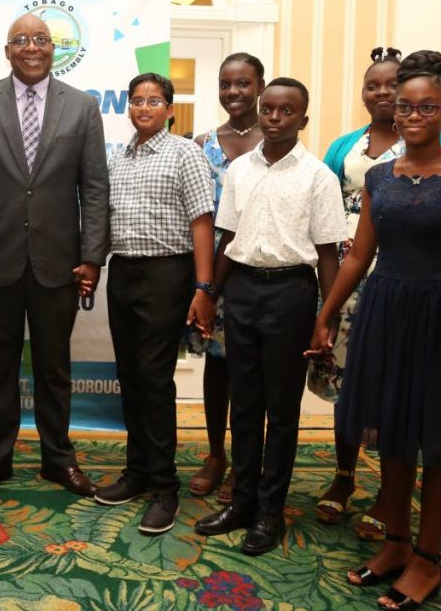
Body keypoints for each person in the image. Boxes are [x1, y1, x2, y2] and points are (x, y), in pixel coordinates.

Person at [307, 51, 441, 610]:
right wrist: (327, 313)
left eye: (426, 106)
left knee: (438, 443)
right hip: (383, 313)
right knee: (390, 432)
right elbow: (360, 253)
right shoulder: (379, 177)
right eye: (404, 104)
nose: (412, 113)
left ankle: (427, 560)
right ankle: (393, 544)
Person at [0, 13, 109, 499]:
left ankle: (58, 458)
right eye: (21, 40)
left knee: (55, 368)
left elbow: (94, 189)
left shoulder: (82, 107)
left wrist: (92, 256)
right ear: (7, 49)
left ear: (53, 49)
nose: (31, 47)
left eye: (41, 39)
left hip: (60, 262)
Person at [193, 77, 345, 556]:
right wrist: (210, 294)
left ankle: (269, 512)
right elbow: (226, 238)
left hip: (291, 295)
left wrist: (327, 315)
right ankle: (240, 503)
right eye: (268, 110)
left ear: (303, 118)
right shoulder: (240, 170)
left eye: (286, 111)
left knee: (281, 412)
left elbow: (327, 255)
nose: (275, 118)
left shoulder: (318, 176)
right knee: (244, 404)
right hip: (240, 291)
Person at [95, 73, 215, 535]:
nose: (144, 107)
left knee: (155, 380)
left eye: (155, 100)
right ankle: (138, 471)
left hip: (168, 273)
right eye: (137, 100)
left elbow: (202, 221)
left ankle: (166, 487)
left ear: (170, 109)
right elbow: (106, 219)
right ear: (129, 107)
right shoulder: (118, 156)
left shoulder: (184, 153)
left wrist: (204, 287)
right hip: (123, 271)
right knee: (129, 375)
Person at [189, 52, 265, 504]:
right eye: (225, 84)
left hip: (254, 263)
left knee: (250, 371)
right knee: (216, 366)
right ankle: (215, 454)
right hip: (210, 266)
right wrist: (200, 282)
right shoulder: (202, 143)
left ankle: (244, 462)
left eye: (242, 83)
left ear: (259, 85)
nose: (233, 92)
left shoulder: (273, 138)